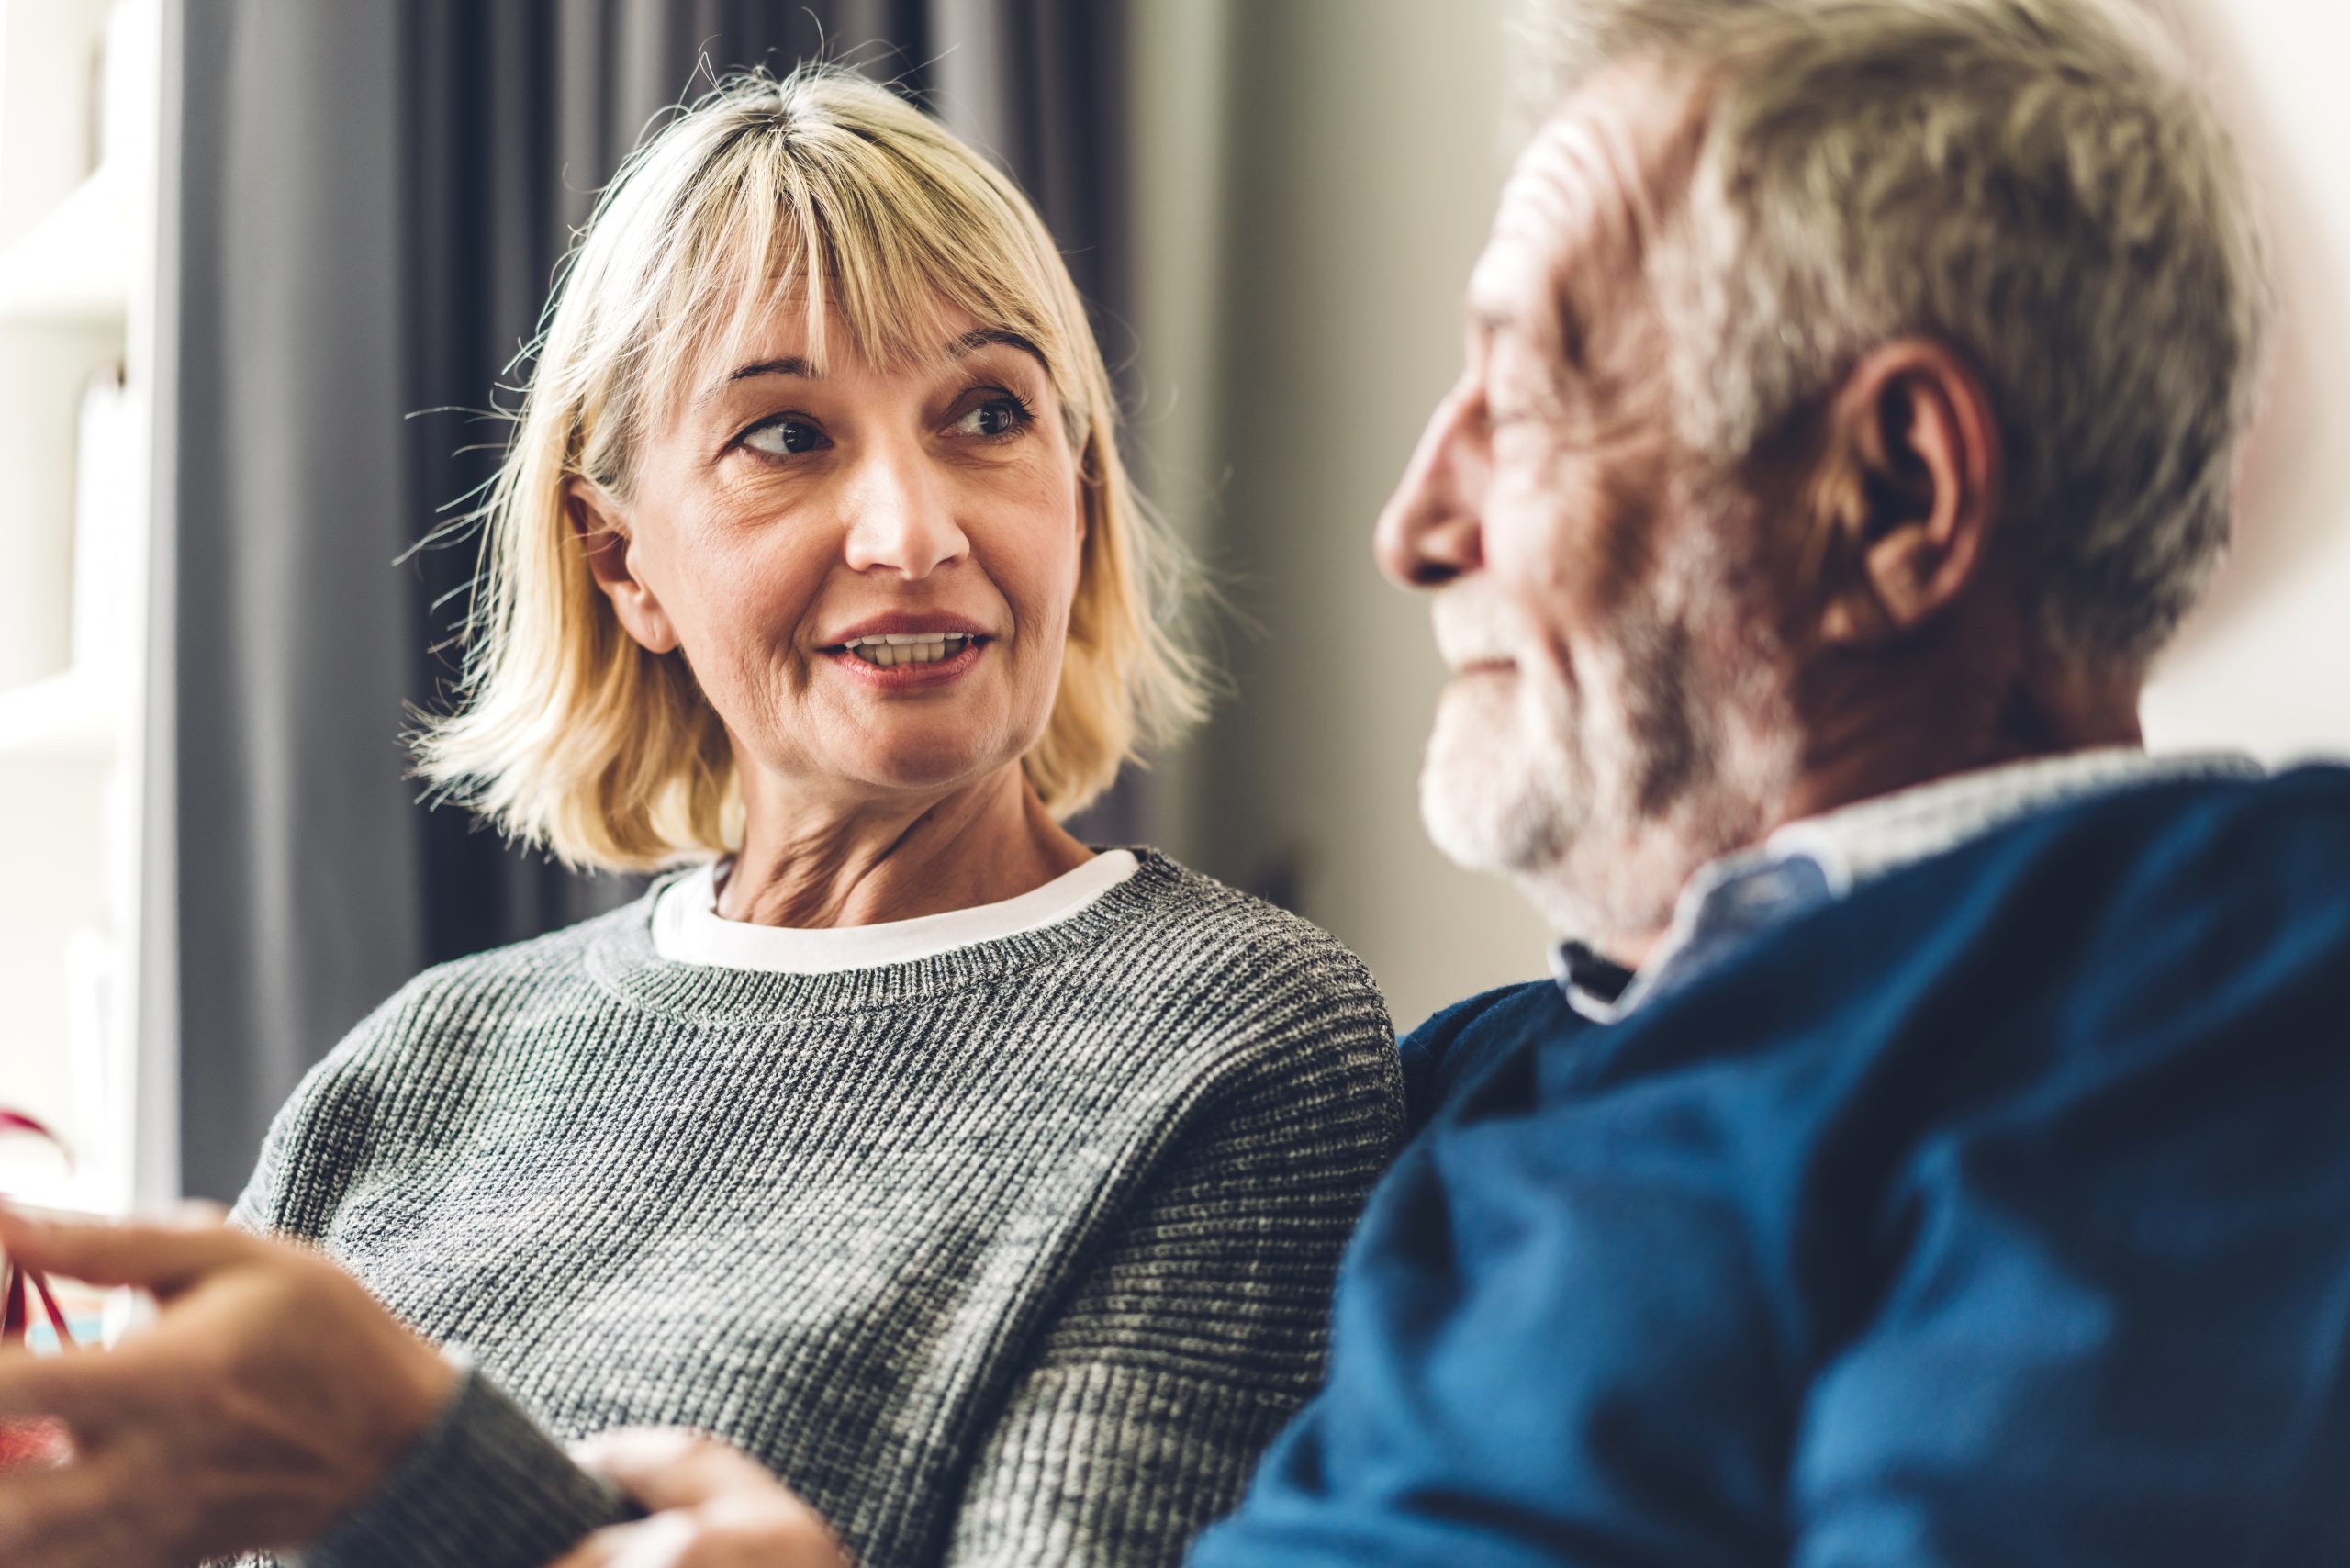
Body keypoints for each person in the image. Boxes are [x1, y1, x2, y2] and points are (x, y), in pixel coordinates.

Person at [324, 0, 2350, 1562]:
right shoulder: (1495, 1077)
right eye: (782, 436)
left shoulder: (2233, 990)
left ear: (1895, 494)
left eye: (1532, 385)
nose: (1411, 517)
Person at [0, 67, 1402, 1568]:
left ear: (1077, 483)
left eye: (987, 414)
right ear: (624, 565)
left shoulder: (1236, 1040)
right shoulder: (418, 1065)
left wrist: (414, 1465)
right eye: (787, 436)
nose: (915, 531)